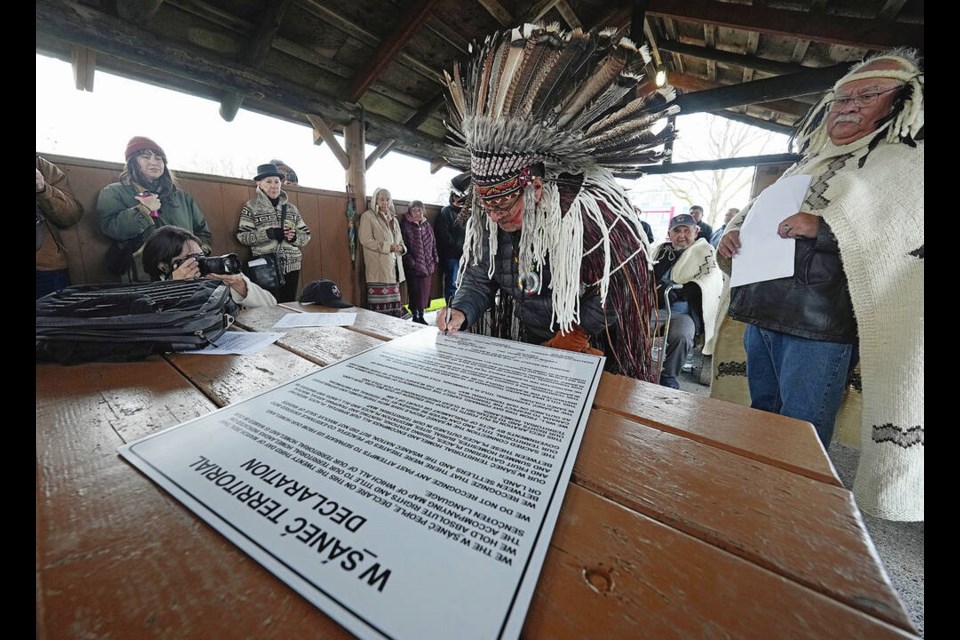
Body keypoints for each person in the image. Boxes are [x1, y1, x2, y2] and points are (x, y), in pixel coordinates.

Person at [716, 47, 923, 521]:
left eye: (867, 95)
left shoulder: (903, 165)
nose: (848, 106)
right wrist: (733, 237)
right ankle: (755, 496)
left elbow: (903, 236)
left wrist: (823, 227)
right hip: (762, 314)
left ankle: (790, 514)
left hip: (819, 326)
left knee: (802, 427)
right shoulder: (803, 165)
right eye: (841, 98)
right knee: (763, 410)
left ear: (901, 101)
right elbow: (755, 220)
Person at [436, 23, 678, 381]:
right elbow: (480, 277)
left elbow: (620, 284)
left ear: (534, 187)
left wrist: (577, 333)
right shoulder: (489, 221)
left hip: (597, 346)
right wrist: (460, 310)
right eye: (487, 208)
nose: (496, 216)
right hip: (535, 338)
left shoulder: (586, 217)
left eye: (505, 207)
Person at [98, 136, 213, 282]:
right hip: (142, 272)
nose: (154, 162)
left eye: (159, 158)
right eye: (145, 157)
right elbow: (112, 228)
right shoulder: (113, 192)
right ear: (132, 162)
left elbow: (203, 232)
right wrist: (143, 210)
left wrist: (195, 254)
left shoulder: (181, 197)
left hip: (187, 269)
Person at [650, 214, 723, 389]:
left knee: (683, 336)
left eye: (686, 230)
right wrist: (657, 287)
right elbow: (647, 274)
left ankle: (668, 375)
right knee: (633, 326)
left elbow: (710, 280)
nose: (681, 235)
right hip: (655, 308)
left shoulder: (706, 251)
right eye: (677, 231)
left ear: (696, 231)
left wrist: (685, 290)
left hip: (684, 312)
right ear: (670, 233)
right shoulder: (661, 250)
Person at [141, 226, 276, 308]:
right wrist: (177, 287)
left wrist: (242, 287)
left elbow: (271, 305)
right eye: (190, 259)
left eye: (200, 256)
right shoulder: (150, 296)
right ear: (164, 266)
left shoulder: (216, 273)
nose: (199, 263)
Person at [236, 163, 312, 302]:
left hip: (292, 266)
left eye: (277, 181)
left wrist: (294, 237)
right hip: (265, 267)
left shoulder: (291, 209)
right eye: (268, 181)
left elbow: (306, 235)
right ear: (259, 183)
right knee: (268, 306)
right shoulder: (251, 207)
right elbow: (243, 237)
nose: (274, 185)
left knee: (289, 305)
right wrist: (269, 234)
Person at [36, 155, 84, 299]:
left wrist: (43, 189)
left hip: (44, 267)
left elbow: (70, 215)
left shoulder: (42, 166)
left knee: (54, 319)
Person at [358, 187, 407, 317]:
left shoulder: (394, 220)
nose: (385, 202)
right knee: (379, 314)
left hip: (394, 269)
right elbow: (365, 240)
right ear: (375, 200)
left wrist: (401, 248)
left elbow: (400, 241)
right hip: (378, 269)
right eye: (382, 199)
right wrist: (388, 247)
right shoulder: (368, 216)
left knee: (395, 310)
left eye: (387, 199)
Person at [399, 200, 438, 324]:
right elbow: (403, 244)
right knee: (415, 292)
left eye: (420, 210)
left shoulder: (427, 225)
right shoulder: (406, 225)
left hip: (428, 265)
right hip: (414, 266)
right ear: (410, 212)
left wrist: (434, 257)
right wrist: (411, 262)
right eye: (414, 210)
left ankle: (421, 315)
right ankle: (415, 316)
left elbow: (433, 242)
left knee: (425, 293)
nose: (418, 212)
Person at [434, 181, 467, 305]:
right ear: (452, 197)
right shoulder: (445, 212)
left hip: (465, 256)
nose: (459, 198)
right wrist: (459, 249)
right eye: (457, 196)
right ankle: (450, 309)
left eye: (462, 197)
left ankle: (461, 309)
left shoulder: (466, 213)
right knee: (452, 284)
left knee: (464, 283)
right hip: (451, 256)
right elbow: (444, 236)